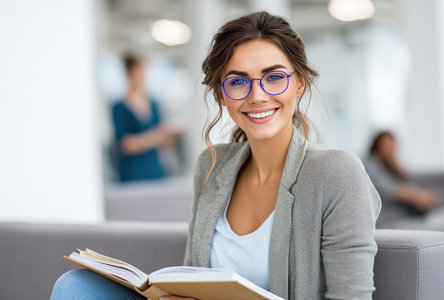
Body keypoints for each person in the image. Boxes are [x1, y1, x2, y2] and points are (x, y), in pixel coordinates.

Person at [50, 11, 381, 300]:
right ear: (222, 95)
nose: (257, 95)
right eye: (238, 82)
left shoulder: (336, 172)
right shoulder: (211, 167)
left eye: (275, 77)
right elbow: (196, 279)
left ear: (300, 84)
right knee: (76, 286)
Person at [111, 54, 179, 182]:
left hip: (155, 170)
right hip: (132, 172)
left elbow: (163, 139)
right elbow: (125, 144)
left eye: (144, 72)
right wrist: (155, 138)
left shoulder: (154, 104)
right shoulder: (119, 107)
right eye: (139, 72)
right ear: (129, 74)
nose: (143, 76)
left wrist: (169, 136)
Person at [365, 131, 444, 229]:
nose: (389, 150)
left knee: (439, 196)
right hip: (387, 216)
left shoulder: (391, 167)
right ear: (376, 146)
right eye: (385, 145)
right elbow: (392, 190)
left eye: (392, 147)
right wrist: (420, 197)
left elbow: (405, 185)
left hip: (407, 210)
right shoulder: (371, 163)